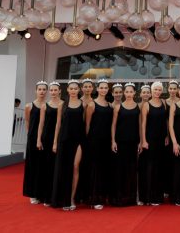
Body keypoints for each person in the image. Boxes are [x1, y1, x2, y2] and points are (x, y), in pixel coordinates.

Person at [51, 80, 85, 210]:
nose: (73, 90)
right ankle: (63, 199)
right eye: (71, 88)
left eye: (75, 88)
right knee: (64, 169)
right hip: (64, 140)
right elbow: (58, 124)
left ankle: (71, 198)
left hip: (78, 140)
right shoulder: (62, 105)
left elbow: (84, 123)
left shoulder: (83, 104)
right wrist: (55, 142)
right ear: (67, 90)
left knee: (75, 167)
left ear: (79, 90)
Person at [84, 79, 113, 209]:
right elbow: (87, 125)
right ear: (97, 89)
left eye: (105, 88)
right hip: (94, 140)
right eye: (101, 87)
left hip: (106, 141)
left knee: (104, 168)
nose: (103, 90)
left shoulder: (110, 105)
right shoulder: (92, 104)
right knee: (94, 168)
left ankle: (102, 196)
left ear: (108, 89)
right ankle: (94, 198)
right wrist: (87, 141)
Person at [110, 82, 140, 207]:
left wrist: (140, 142)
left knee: (132, 170)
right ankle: (119, 198)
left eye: (130, 91)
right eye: (126, 92)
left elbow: (140, 125)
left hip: (133, 143)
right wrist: (113, 141)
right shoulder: (118, 107)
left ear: (134, 93)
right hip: (120, 143)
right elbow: (113, 125)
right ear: (124, 93)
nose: (128, 94)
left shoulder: (138, 107)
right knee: (120, 170)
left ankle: (131, 198)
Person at [139, 81, 169, 206]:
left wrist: (167, 135)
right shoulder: (146, 105)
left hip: (161, 140)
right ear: (151, 91)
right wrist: (143, 140)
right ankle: (148, 197)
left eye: (159, 89)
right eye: (155, 89)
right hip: (150, 140)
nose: (157, 91)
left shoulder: (164, 103)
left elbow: (166, 121)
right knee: (149, 168)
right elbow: (143, 124)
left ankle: (157, 196)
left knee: (159, 168)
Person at [36, 81, 62, 206]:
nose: (53, 92)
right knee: (46, 167)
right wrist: (38, 139)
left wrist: (56, 141)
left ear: (60, 91)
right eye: (51, 90)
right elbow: (41, 124)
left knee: (56, 167)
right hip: (46, 138)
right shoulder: (44, 106)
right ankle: (45, 196)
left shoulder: (63, 104)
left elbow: (59, 123)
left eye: (55, 90)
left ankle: (55, 196)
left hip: (59, 138)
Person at [23, 81, 47, 205]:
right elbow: (27, 121)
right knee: (32, 166)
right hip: (32, 139)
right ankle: (32, 193)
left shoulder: (48, 105)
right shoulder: (29, 106)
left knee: (42, 166)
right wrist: (30, 135)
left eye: (44, 89)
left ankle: (41, 193)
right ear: (36, 91)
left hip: (45, 139)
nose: (42, 91)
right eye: (40, 89)